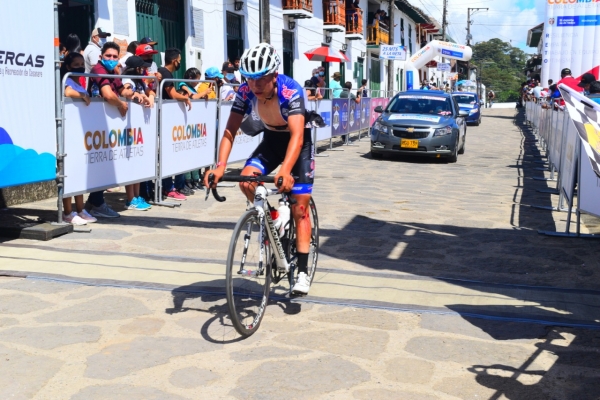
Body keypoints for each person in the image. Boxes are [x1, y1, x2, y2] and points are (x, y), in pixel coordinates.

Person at [204, 43, 316, 295]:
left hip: (297, 145)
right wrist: (220, 166)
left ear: (274, 75)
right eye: (249, 78)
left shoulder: (291, 91)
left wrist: (286, 170)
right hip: (271, 141)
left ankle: (301, 271)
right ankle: (274, 217)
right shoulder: (245, 91)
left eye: (260, 79)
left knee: (300, 207)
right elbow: (230, 131)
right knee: (246, 181)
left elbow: (297, 136)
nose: (254, 85)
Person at [85, 42, 142, 218]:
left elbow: (120, 90)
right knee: (101, 164)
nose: (111, 59)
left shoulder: (112, 72)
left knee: (107, 163)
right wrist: (121, 105)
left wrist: (136, 94)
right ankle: (96, 203)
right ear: (102, 56)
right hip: (93, 124)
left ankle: (94, 201)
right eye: (108, 56)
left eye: (114, 57)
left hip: (105, 126)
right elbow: (110, 95)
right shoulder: (98, 69)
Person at [60, 52, 97, 225]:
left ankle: (81, 210)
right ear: (68, 67)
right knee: (68, 174)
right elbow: (67, 92)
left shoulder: (79, 83)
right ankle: (68, 213)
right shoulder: (66, 81)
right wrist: (82, 95)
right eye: (76, 65)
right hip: (67, 136)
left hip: (80, 136)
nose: (81, 67)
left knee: (79, 175)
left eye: (82, 64)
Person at [157, 48, 192, 200]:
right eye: (179, 59)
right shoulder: (165, 73)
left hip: (166, 119)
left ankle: (169, 186)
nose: (180, 62)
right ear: (174, 60)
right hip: (162, 119)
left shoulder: (164, 72)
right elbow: (171, 94)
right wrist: (185, 98)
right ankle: (168, 188)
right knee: (165, 155)